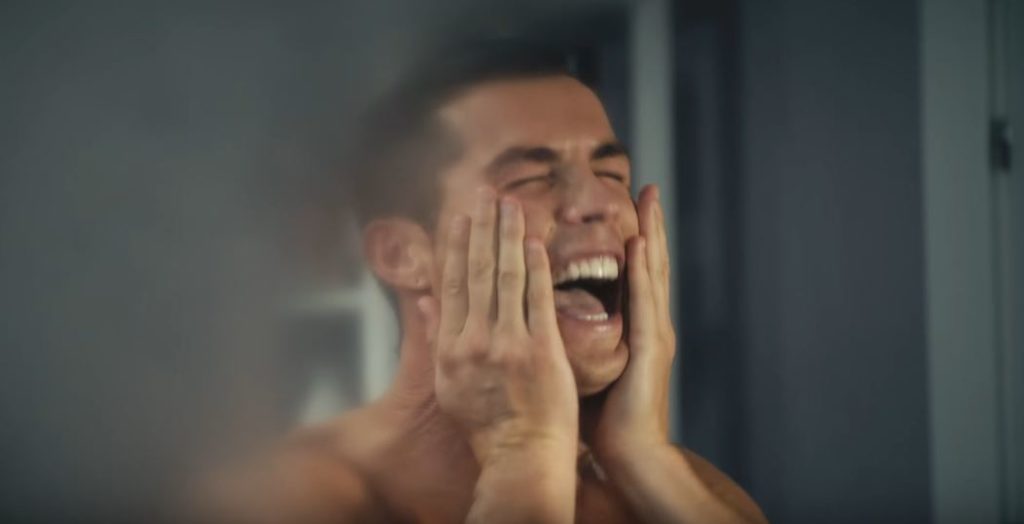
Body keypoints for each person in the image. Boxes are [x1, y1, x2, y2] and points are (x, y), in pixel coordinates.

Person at [194, 42, 768, 524]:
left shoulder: (680, 490)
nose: (601, 204)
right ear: (402, 255)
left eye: (611, 173)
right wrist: (524, 451)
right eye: (533, 178)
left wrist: (643, 456)